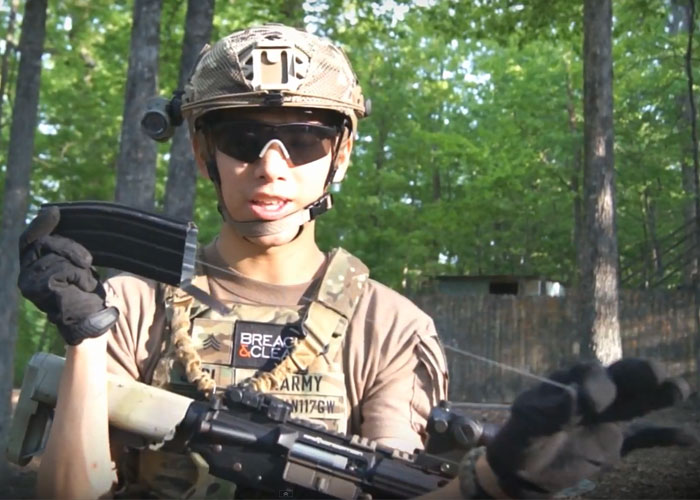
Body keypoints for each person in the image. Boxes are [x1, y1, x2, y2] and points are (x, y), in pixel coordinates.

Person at [17, 23, 696, 500]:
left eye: (304, 141)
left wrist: (495, 482)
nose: (272, 167)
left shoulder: (387, 325)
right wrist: (86, 339)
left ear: (339, 154)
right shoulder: (131, 305)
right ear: (203, 152)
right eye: (244, 138)